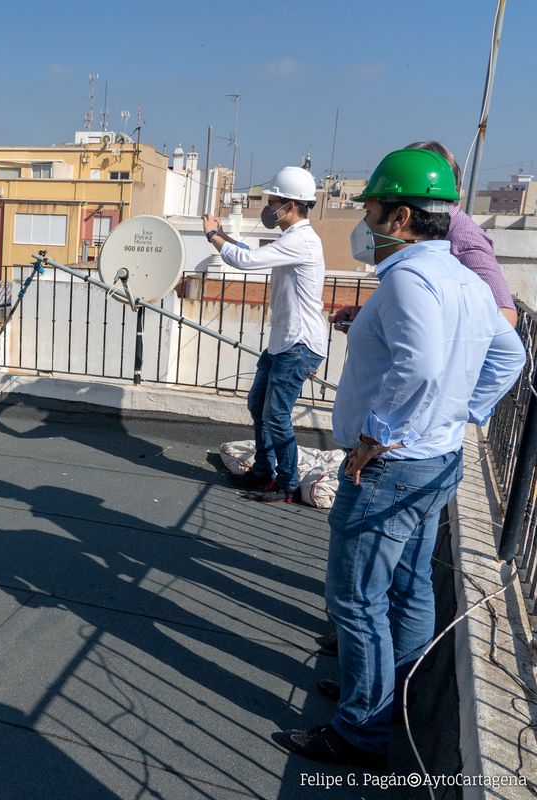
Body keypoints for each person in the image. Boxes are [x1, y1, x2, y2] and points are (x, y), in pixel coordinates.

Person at [275, 149, 525, 768]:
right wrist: (464, 414)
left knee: (358, 597)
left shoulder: (410, 281)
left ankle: (361, 730)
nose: (367, 219)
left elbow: (418, 364)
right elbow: (510, 358)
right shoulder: (466, 280)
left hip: (392, 467)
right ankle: (392, 699)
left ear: (403, 214)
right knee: (410, 587)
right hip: (438, 460)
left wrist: (374, 439)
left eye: (374, 208)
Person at [201, 166, 328, 503]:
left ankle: (287, 483)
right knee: (258, 405)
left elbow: (245, 261)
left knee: (275, 414)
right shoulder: (291, 239)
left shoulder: (301, 240)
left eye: (272, 200)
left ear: (289, 204)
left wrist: (212, 236)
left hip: (298, 345)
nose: (268, 207)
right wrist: (224, 235)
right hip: (285, 343)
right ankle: (262, 471)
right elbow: (248, 251)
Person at [332, 140, 517, 331]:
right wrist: (373, 319)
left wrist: (422, 332)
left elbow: (505, 317)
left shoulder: (464, 239)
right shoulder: (420, 231)